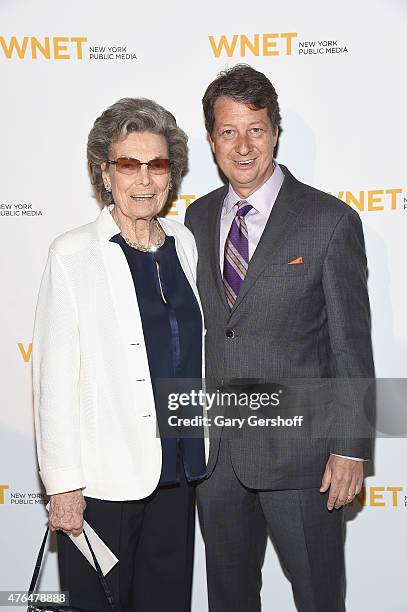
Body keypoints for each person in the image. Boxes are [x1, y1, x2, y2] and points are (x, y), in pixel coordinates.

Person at [185, 64, 375, 612]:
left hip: (304, 459)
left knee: (318, 598)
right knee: (229, 599)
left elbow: (350, 345)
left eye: (256, 129)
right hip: (216, 460)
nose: (243, 146)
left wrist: (349, 447)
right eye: (228, 131)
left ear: (275, 131)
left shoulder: (329, 220)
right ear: (212, 139)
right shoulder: (194, 221)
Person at [32, 97, 207, 612]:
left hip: (179, 471)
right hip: (104, 481)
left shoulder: (185, 243)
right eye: (129, 164)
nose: (144, 179)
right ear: (104, 174)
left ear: (171, 175)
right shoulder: (73, 253)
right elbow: (54, 377)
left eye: (157, 165)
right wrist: (63, 484)